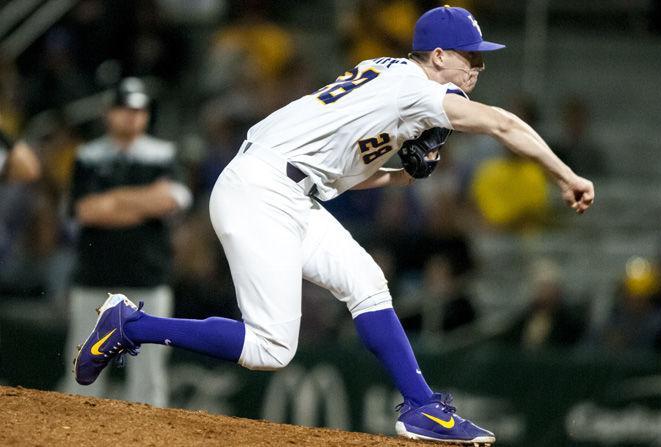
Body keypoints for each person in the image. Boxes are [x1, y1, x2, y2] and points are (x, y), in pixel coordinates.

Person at [73, 7, 594, 444]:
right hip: (261, 190)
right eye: (470, 56)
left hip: (290, 189)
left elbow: (339, 173)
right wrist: (565, 175)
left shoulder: (388, 76)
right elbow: (504, 123)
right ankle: (130, 324)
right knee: (270, 349)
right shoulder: (417, 89)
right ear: (438, 56)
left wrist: (400, 178)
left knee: (366, 283)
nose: (478, 67)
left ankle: (421, 407)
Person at [63, 77, 192, 406]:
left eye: (137, 110)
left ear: (146, 114)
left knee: (149, 377)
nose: (131, 116)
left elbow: (171, 201)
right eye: (124, 109)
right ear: (109, 113)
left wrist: (114, 202)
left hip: (147, 279)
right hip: (95, 278)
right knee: (83, 370)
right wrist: (142, 203)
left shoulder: (163, 154)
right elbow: (85, 211)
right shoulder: (88, 155)